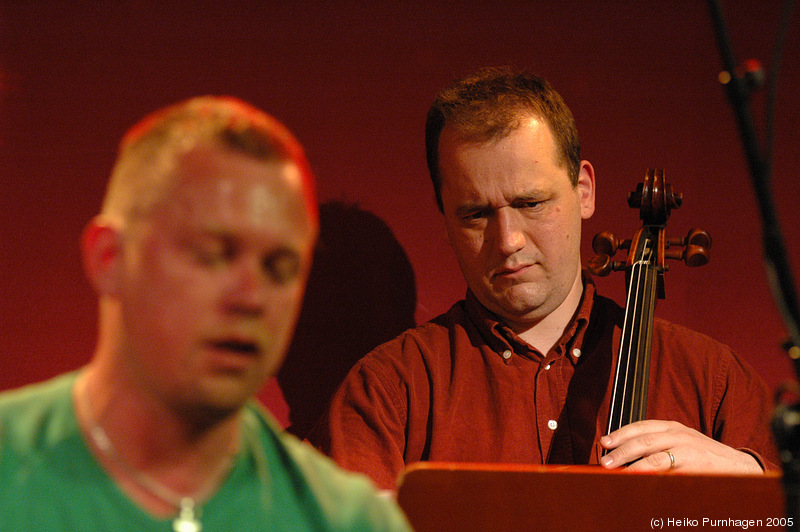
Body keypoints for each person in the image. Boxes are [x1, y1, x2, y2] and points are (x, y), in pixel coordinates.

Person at [308, 67, 779, 491]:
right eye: (475, 214)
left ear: (585, 191)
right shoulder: (388, 392)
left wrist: (752, 482)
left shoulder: (713, 380)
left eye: (531, 204)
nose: (508, 240)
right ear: (444, 218)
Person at [0, 96, 411, 531]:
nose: (251, 297)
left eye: (280, 267)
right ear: (109, 259)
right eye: (213, 255)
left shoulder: (347, 520)